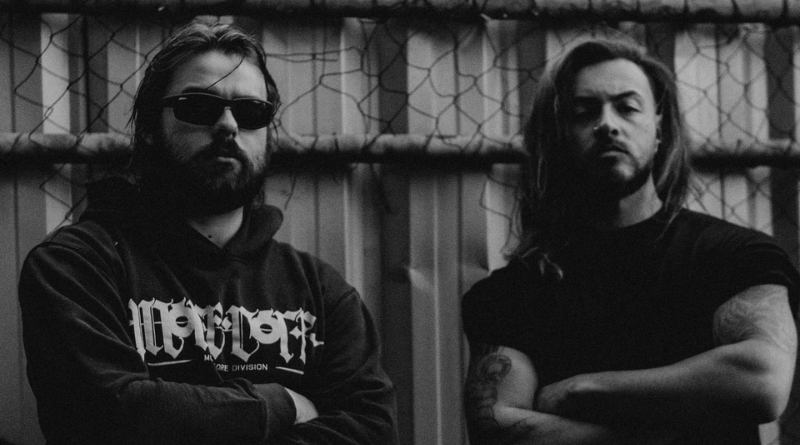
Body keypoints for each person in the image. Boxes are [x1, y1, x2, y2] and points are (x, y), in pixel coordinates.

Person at [18, 20, 399, 445]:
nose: (229, 125)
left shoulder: (318, 290)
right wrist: (281, 404)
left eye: (251, 112)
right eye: (199, 107)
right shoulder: (76, 265)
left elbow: (372, 429)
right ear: (148, 128)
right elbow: (108, 416)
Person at [461, 36, 799, 444]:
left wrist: (582, 389)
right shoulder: (514, 292)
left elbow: (762, 380)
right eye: (585, 112)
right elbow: (497, 425)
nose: (607, 123)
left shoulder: (734, 257)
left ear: (659, 131)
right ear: (559, 136)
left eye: (627, 107)